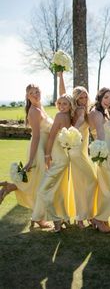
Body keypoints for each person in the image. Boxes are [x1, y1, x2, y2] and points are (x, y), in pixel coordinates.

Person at [0, 84, 52, 229]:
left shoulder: (41, 107)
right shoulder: (34, 111)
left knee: (35, 182)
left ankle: (8, 186)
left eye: (37, 91)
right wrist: (31, 160)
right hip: (38, 149)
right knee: (40, 183)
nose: (35, 94)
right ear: (27, 96)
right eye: (32, 93)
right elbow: (35, 136)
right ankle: (39, 218)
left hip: (43, 148)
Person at [58, 72, 97, 229]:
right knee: (92, 181)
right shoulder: (80, 111)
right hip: (77, 153)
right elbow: (80, 122)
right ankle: (85, 216)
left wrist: (60, 76)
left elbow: (62, 93)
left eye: (85, 97)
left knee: (80, 184)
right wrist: (76, 126)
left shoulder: (75, 110)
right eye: (80, 97)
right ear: (75, 99)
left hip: (79, 153)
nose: (83, 100)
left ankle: (82, 217)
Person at [31, 94, 74, 232]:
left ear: (70, 105)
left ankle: (56, 220)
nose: (61, 106)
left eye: (65, 104)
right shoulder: (68, 117)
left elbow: (51, 137)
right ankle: (64, 218)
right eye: (60, 103)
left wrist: (47, 155)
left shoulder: (60, 116)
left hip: (59, 159)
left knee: (43, 191)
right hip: (62, 158)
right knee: (57, 190)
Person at [88, 87, 110, 233]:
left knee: (107, 190)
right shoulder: (96, 113)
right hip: (104, 155)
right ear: (100, 97)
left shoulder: (105, 112)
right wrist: (103, 155)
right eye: (106, 97)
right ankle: (99, 218)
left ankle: (103, 219)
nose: (108, 101)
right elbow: (101, 135)